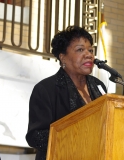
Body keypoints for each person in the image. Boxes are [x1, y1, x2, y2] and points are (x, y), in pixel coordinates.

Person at [25, 26, 107, 160]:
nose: (89, 55)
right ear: (63, 57)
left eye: (90, 50)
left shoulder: (98, 86)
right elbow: (36, 136)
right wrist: (76, 138)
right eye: (80, 50)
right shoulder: (46, 89)